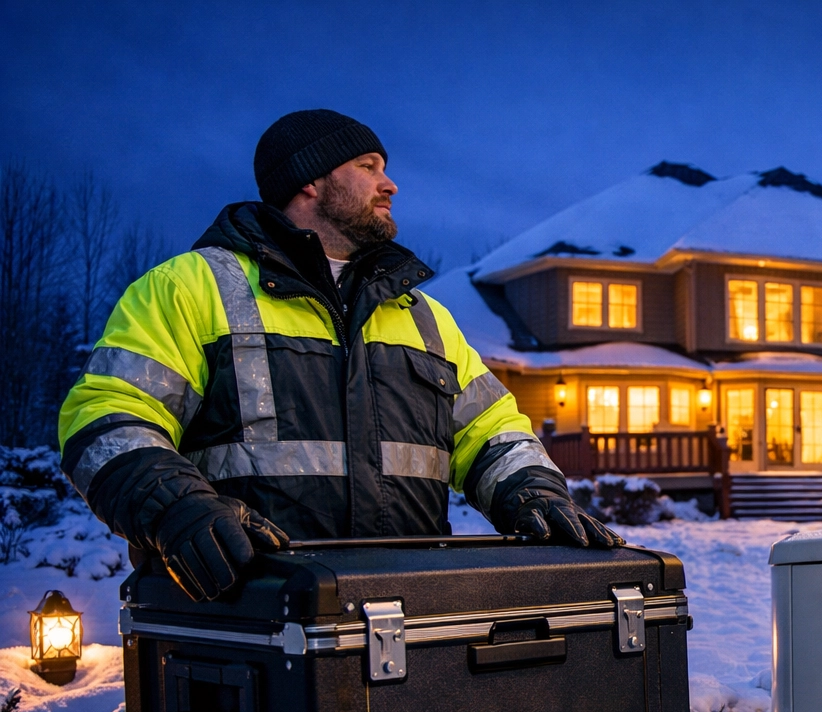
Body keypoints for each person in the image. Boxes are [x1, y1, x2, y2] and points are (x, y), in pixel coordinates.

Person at [58, 109, 619, 602]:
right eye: (369, 166)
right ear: (310, 181)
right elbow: (108, 418)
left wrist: (533, 491)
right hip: (248, 617)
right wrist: (176, 510)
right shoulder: (190, 287)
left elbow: (492, 430)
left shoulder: (423, 316)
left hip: (410, 612)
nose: (390, 183)